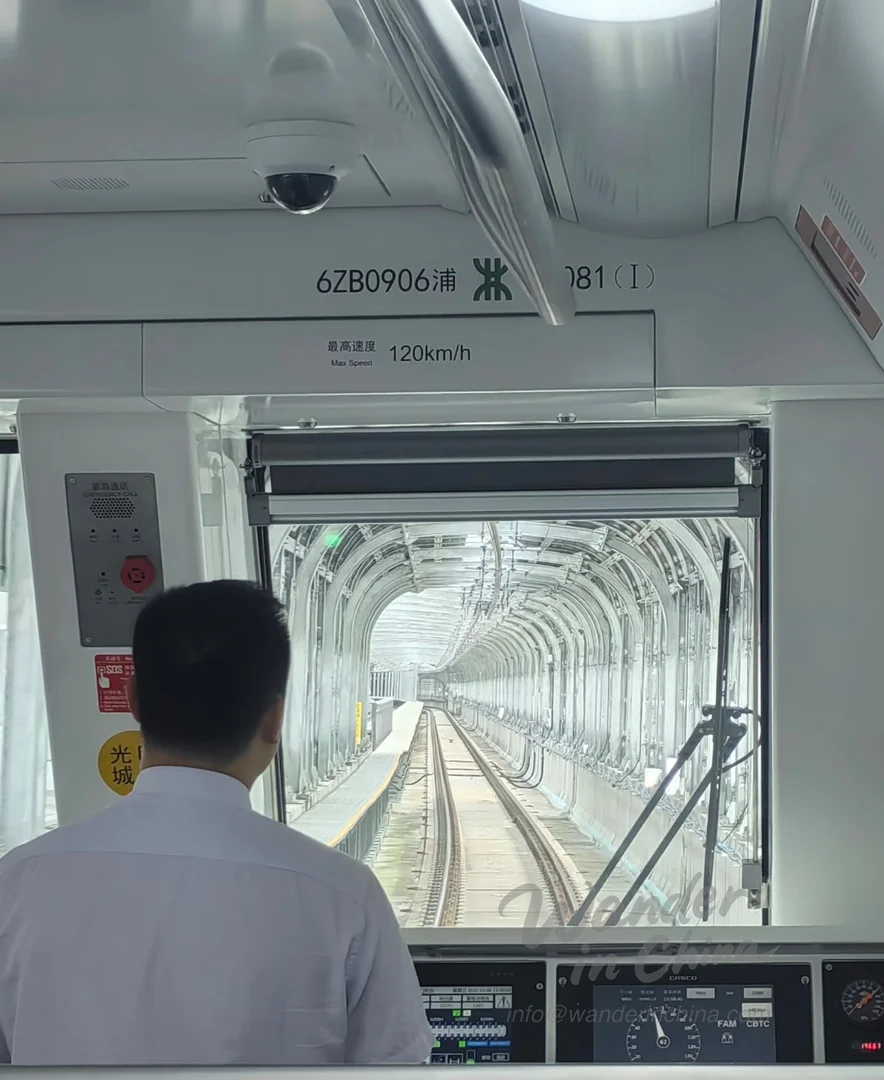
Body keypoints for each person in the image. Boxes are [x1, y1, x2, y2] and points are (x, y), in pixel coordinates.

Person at [0, 580, 434, 1066]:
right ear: (274, 719)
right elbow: (395, 1066)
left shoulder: (17, 881)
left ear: (133, 700)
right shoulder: (344, 895)